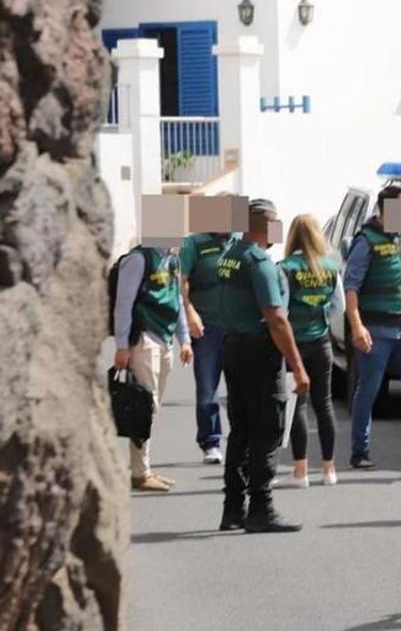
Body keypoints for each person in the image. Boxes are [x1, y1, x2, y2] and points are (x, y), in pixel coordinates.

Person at [216, 198, 309, 533]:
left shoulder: (230, 255)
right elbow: (276, 318)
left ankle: (232, 509)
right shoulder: (259, 262)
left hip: (233, 348)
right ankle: (260, 508)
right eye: (274, 222)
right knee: (266, 431)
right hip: (258, 353)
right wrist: (298, 367)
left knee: (240, 432)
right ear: (262, 225)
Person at [343, 185, 401, 470]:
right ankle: (360, 450)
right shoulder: (366, 241)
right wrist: (357, 326)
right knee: (368, 390)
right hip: (377, 330)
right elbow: (351, 286)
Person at [113, 244, 193, 492]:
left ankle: (144, 468)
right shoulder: (138, 259)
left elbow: (176, 299)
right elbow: (123, 303)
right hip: (144, 337)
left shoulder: (172, 260)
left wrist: (185, 340)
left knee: (152, 407)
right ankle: (140, 473)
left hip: (165, 338)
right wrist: (122, 345)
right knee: (144, 407)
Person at [279, 214, 344, 488]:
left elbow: (280, 308)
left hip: (294, 343)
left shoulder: (285, 268)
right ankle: (329, 469)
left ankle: (300, 471)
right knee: (324, 404)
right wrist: (322, 319)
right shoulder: (330, 268)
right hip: (321, 342)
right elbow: (338, 306)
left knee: (299, 406)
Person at [180, 229, 236, 464]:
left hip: (237, 326)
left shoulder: (240, 241)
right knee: (207, 390)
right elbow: (181, 280)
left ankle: (240, 440)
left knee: (241, 389)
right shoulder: (195, 243)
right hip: (206, 326)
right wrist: (189, 312)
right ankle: (211, 442)